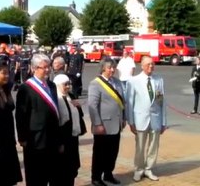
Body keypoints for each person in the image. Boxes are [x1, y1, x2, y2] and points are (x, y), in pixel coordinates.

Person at [16, 53, 61, 186]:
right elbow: (20, 115)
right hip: (34, 138)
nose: (47, 70)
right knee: (35, 175)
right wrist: (22, 137)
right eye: (44, 67)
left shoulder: (52, 86)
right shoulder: (26, 88)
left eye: (49, 67)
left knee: (51, 173)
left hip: (51, 137)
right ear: (35, 68)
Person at [126, 56, 166, 182]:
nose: (151, 66)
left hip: (155, 118)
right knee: (140, 147)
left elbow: (162, 102)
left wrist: (164, 121)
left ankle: (149, 168)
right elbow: (129, 103)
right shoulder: (133, 81)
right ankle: (138, 169)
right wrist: (130, 122)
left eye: (152, 64)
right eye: (148, 64)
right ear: (142, 66)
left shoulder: (159, 80)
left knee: (153, 146)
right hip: (140, 119)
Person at [88, 58, 125, 186]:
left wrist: (123, 118)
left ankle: (108, 174)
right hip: (103, 124)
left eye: (114, 67)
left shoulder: (118, 82)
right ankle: (96, 177)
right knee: (99, 153)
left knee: (113, 152)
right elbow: (92, 105)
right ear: (103, 68)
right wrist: (97, 124)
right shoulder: (96, 83)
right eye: (110, 68)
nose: (112, 70)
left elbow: (122, 102)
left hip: (116, 123)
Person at [53, 74, 86, 186]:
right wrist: (59, 142)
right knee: (61, 170)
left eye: (69, 84)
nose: (68, 87)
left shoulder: (70, 96)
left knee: (72, 169)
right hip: (62, 140)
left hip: (72, 138)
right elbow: (54, 124)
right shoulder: (55, 99)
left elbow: (78, 115)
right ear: (57, 85)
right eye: (65, 84)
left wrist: (78, 106)